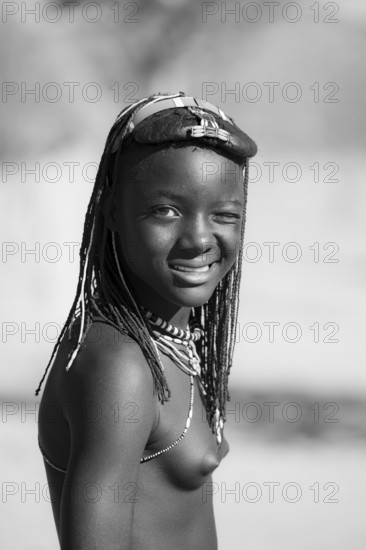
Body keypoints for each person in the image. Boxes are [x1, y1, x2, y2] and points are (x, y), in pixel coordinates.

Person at [35, 91, 257, 549]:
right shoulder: (119, 366)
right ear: (113, 211)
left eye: (224, 215)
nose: (199, 238)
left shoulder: (169, 339)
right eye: (166, 211)